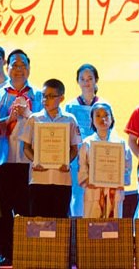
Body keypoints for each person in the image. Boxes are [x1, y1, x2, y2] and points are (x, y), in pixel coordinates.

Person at [0, 49, 41, 265]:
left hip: (30, 162)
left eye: (23, 65)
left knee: (27, 209)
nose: (19, 69)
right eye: (14, 65)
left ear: (29, 68)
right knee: (3, 210)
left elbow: (47, 128)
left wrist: (29, 116)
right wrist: (8, 118)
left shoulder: (38, 95)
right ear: (7, 68)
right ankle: (5, 252)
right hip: (4, 159)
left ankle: (27, 251)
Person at [21, 79, 80, 218]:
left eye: (51, 96)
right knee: (38, 222)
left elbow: (74, 149)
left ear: (61, 98)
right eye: (44, 95)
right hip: (39, 179)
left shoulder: (70, 119)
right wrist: (36, 161)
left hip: (62, 179)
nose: (45, 100)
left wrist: (67, 162)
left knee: (60, 223)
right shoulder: (34, 119)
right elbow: (26, 147)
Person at [78, 102, 132, 218]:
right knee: (92, 224)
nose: (102, 119)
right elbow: (82, 166)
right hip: (93, 191)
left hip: (114, 191)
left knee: (114, 225)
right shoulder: (87, 143)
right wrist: (87, 181)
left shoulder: (120, 143)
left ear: (112, 118)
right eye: (98, 115)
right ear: (92, 120)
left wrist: (121, 181)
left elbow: (127, 166)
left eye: (106, 115)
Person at [65, 63, 101, 217]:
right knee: (77, 194)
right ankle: (77, 226)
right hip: (76, 159)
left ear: (96, 80)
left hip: (98, 158)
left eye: (90, 78)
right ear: (78, 81)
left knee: (97, 194)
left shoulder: (103, 105)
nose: (86, 82)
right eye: (83, 79)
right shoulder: (70, 107)